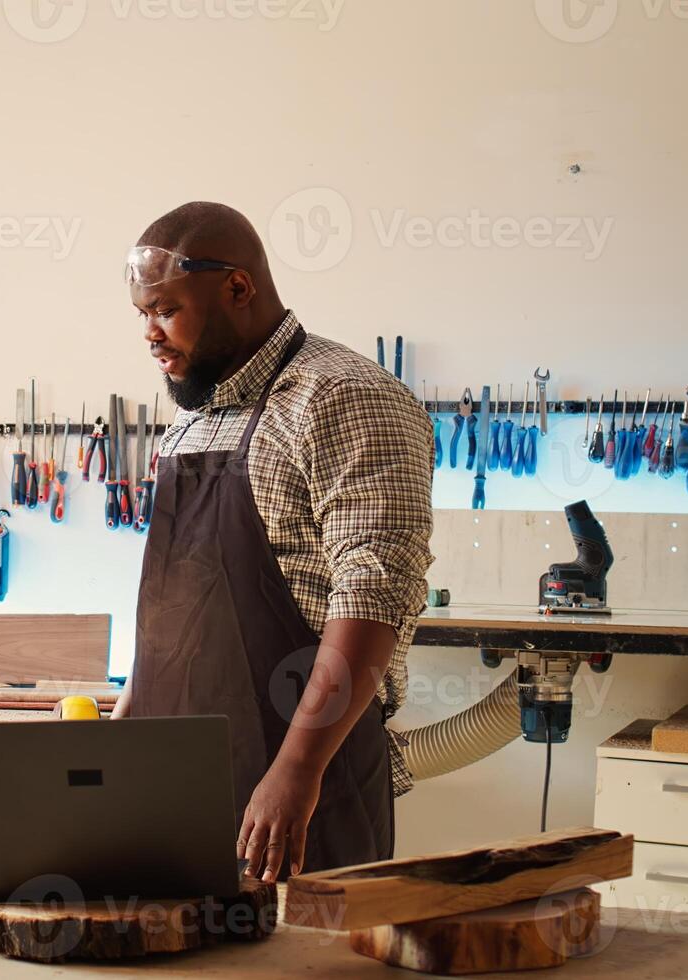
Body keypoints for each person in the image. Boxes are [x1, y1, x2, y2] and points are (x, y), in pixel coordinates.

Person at [114, 202, 434, 881]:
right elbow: (168, 620)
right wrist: (122, 742)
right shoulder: (190, 424)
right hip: (178, 788)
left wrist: (297, 769)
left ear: (237, 288)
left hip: (300, 786)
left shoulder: (343, 394)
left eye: (165, 310)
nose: (149, 333)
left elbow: (376, 593)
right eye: (142, 313)